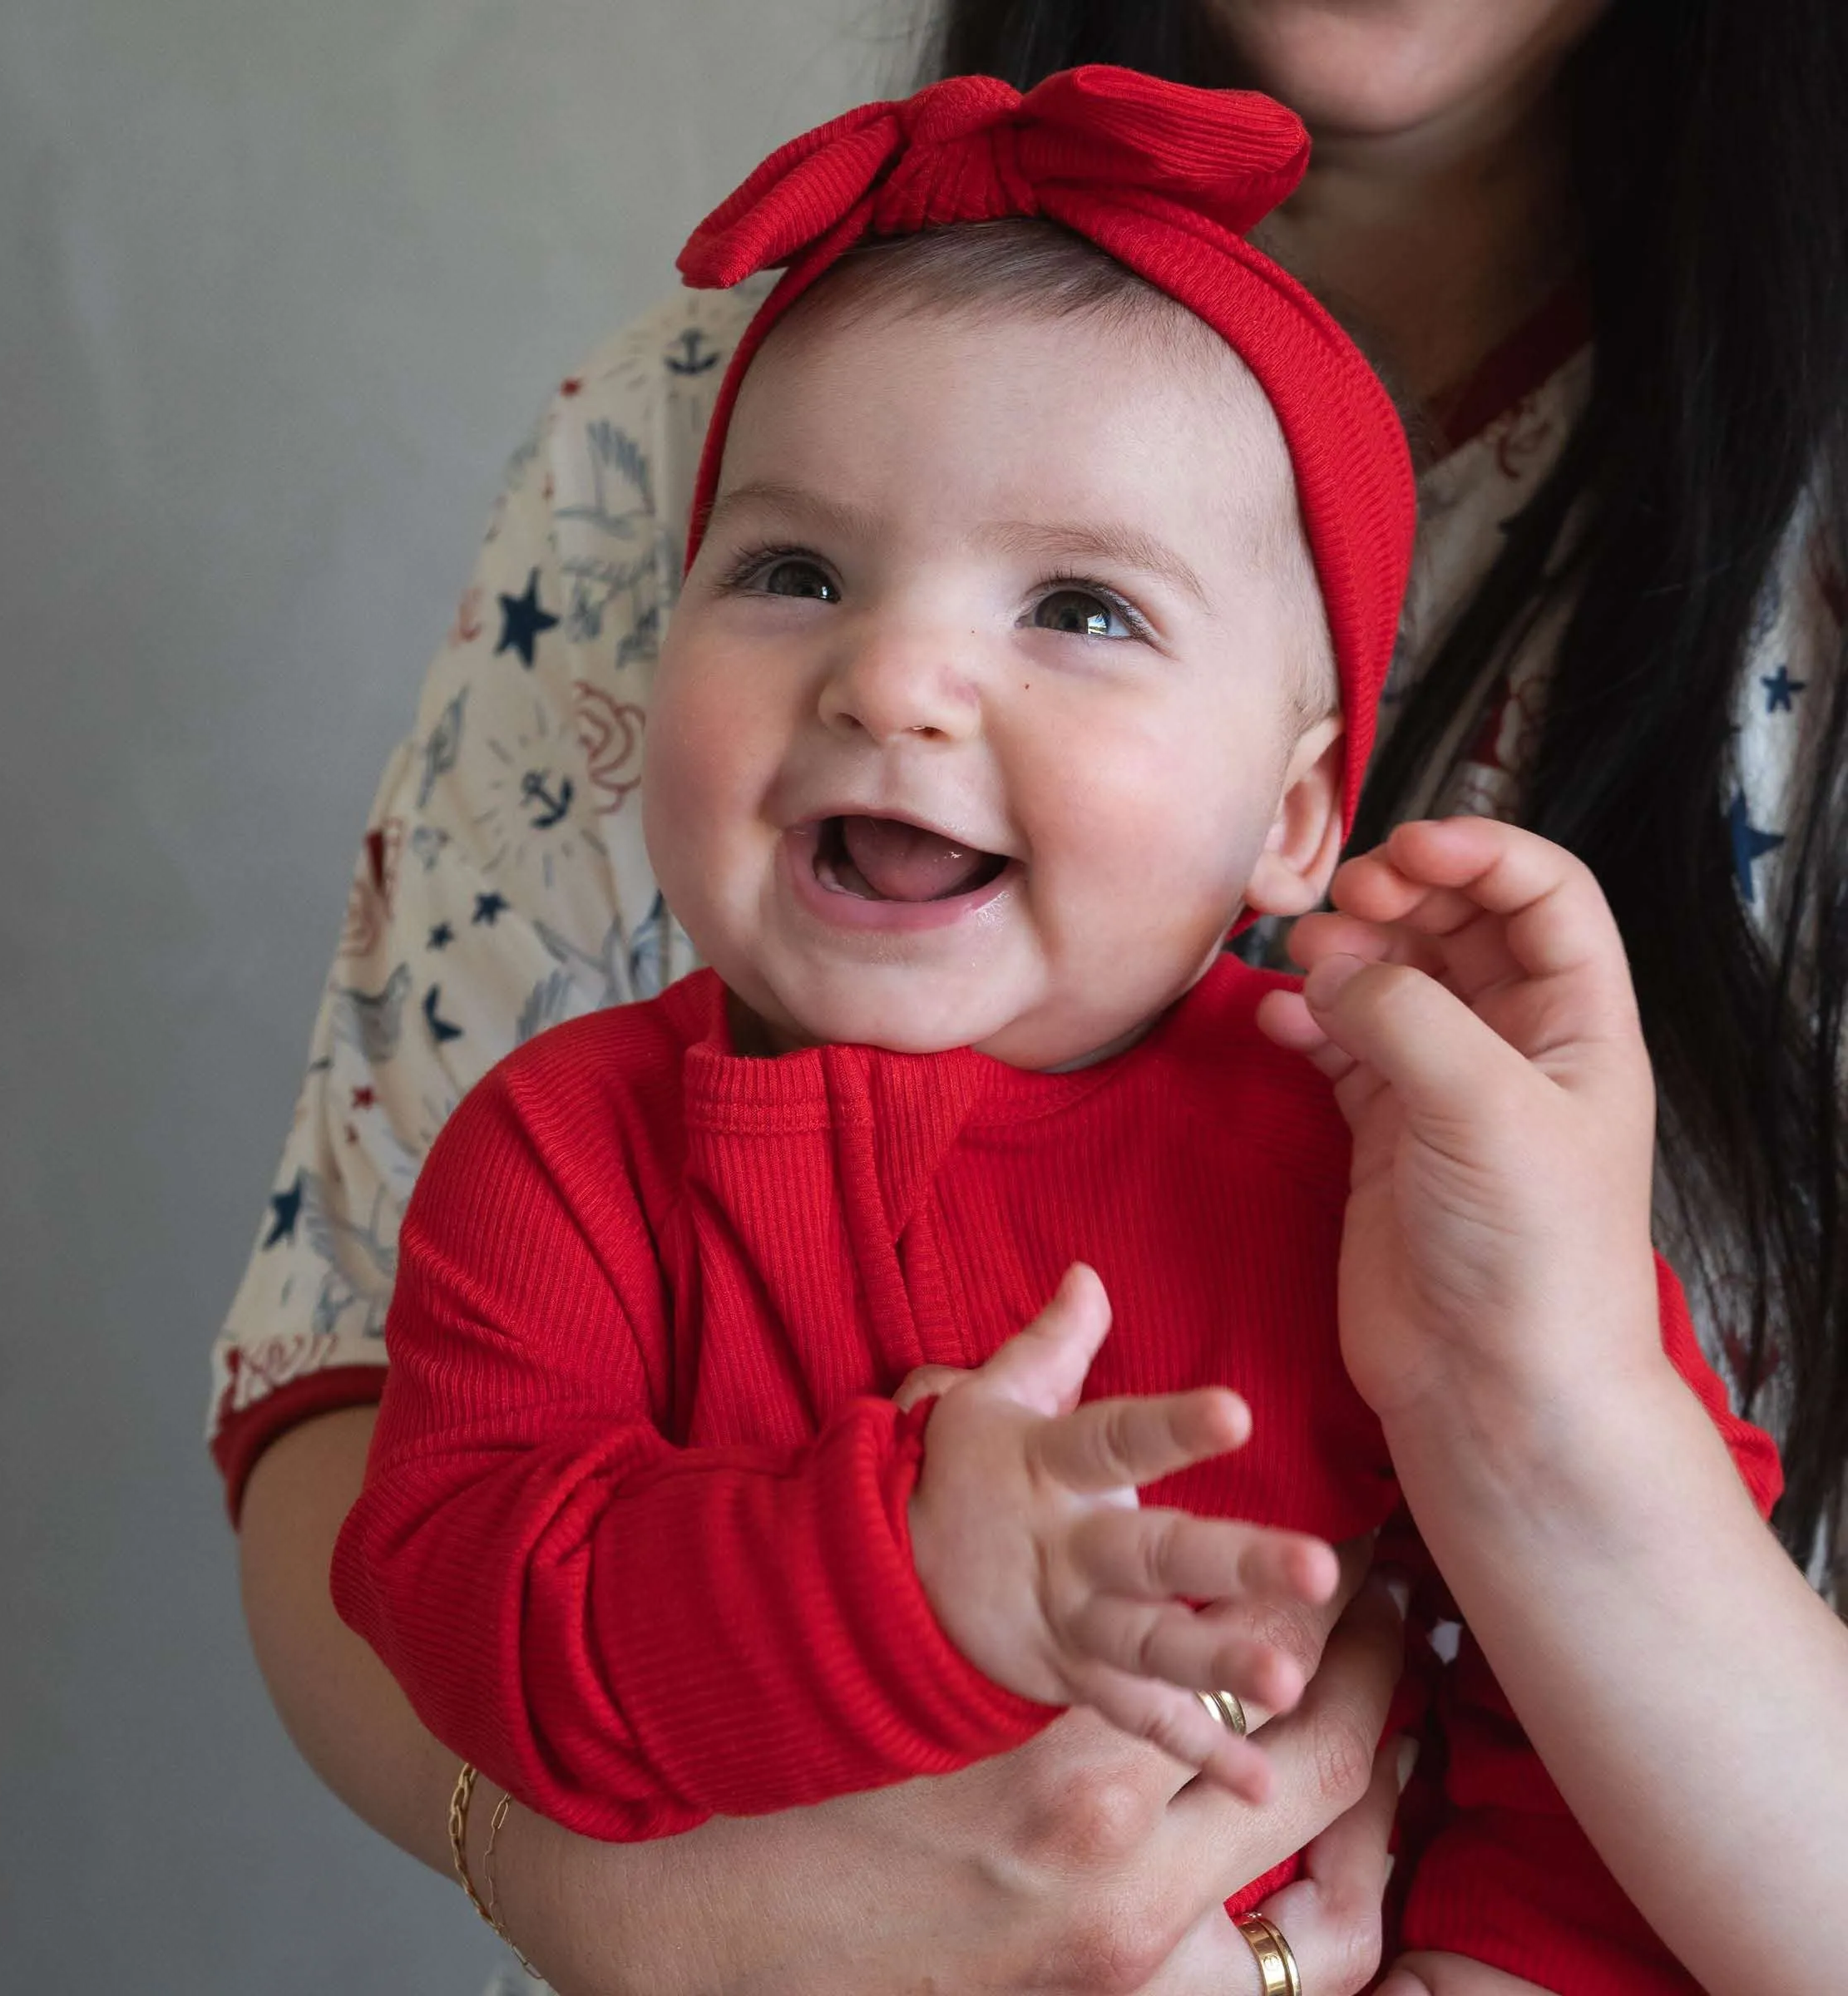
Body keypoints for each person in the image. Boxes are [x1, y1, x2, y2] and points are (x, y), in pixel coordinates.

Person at [221, 5, 1848, 1992]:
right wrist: (891, 1578)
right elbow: (441, 1576)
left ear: (1301, 812)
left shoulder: (1377, 1173)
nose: (893, 679)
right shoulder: (563, 1161)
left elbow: (1557, 1717)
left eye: (1078, 609)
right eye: (795, 573)